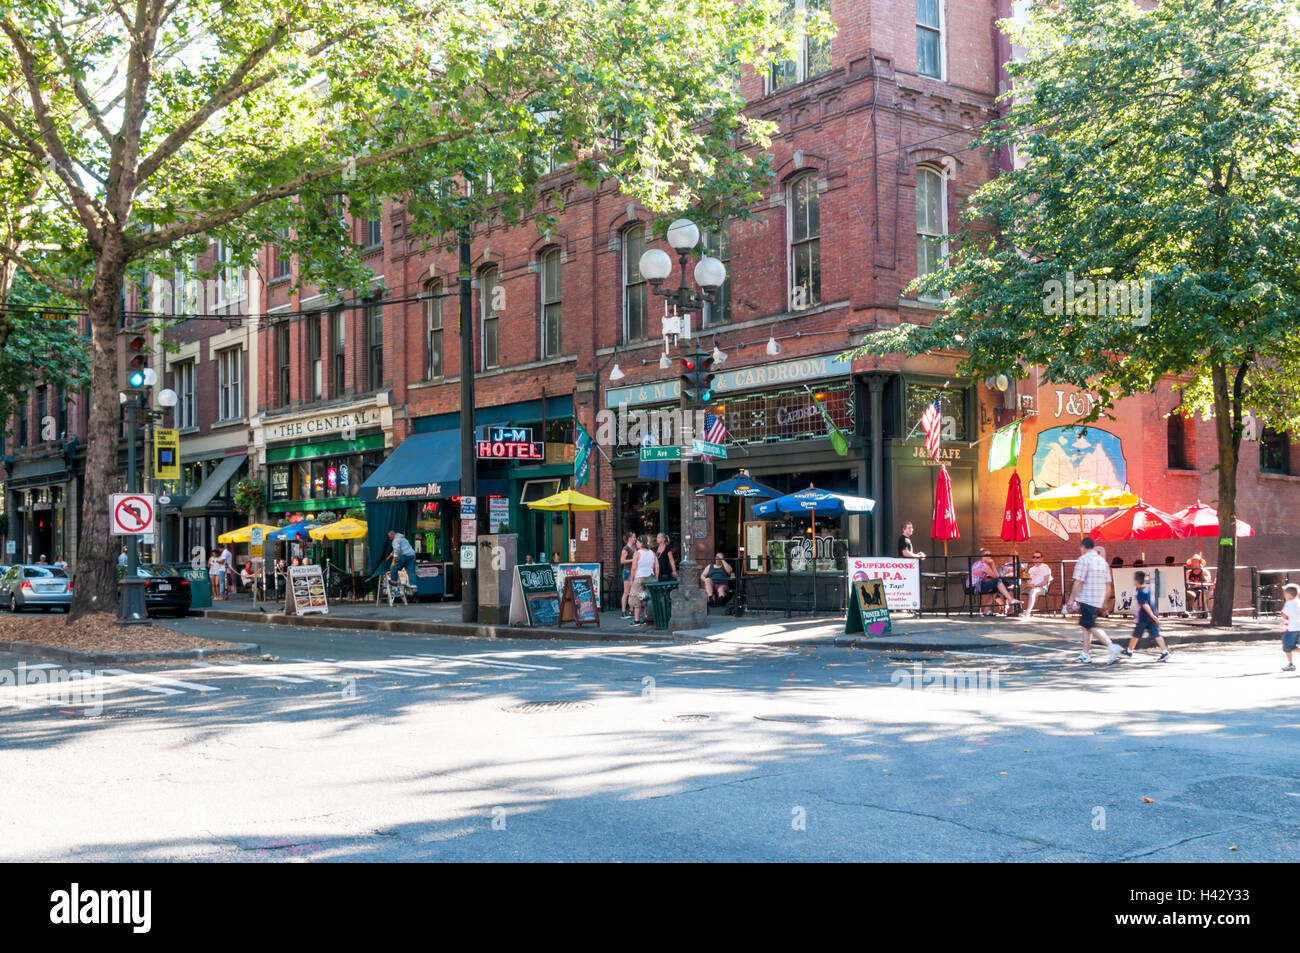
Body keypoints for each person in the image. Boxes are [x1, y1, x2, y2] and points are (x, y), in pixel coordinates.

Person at [1067, 536, 1122, 664]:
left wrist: (1071, 599)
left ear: (1083, 547)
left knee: (1090, 625)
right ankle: (1085, 653)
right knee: (1087, 625)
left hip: (1087, 598)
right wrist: (1105, 602)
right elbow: (1108, 584)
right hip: (1098, 599)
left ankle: (1111, 646)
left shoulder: (1083, 560)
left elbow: (1078, 581)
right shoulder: (1103, 562)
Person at [1121, 570, 1169, 662]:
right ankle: (1165, 652)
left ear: (1136, 581)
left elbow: (1145, 605)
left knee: (1136, 634)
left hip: (1143, 618)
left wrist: (1152, 616)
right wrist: (1154, 616)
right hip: (1151, 618)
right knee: (1156, 634)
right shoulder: (1147, 590)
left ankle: (1129, 651)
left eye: (1133, 579)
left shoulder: (1140, 592)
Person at [970, 549, 1019, 616]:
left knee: (995, 588)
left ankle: (986, 610)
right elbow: (996, 576)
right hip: (975, 587)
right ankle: (1010, 600)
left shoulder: (978, 563)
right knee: (998, 581)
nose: (989, 556)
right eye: (986, 555)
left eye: (990, 555)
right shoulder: (983, 565)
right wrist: (992, 564)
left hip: (973, 586)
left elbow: (984, 578)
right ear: (982, 556)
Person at [629, 536, 657, 626]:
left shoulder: (637, 553)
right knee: (648, 598)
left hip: (639, 577)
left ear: (641, 543)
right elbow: (657, 567)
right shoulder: (652, 553)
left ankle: (637, 620)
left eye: (637, 542)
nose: (636, 543)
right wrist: (656, 578)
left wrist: (631, 579)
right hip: (650, 578)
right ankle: (646, 618)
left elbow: (633, 568)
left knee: (636, 597)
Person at [1281, 584, 1299, 672]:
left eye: (1285, 594)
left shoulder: (1289, 603)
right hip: (1298, 627)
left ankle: (1291, 664)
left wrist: (1285, 620)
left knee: (1287, 646)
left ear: (1289, 595)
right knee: (1293, 646)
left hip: (1292, 629)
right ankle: (1290, 664)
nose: (1284, 595)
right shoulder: (1298, 601)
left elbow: (1284, 614)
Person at [619, 531, 637, 619]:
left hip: (634, 571)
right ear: (630, 538)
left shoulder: (635, 547)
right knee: (626, 592)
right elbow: (622, 561)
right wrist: (633, 560)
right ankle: (623, 611)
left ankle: (631, 610)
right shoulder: (625, 548)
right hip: (627, 571)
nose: (635, 539)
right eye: (634, 537)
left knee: (632, 592)